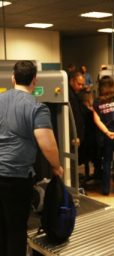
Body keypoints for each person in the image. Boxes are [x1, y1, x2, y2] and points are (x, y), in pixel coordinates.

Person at [0, 60, 64, 256]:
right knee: (17, 228)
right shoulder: (37, 107)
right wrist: (56, 167)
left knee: (1, 227)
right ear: (34, 81)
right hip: (16, 177)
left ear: (13, 78)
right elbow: (47, 143)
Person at [78, 89, 102, 182]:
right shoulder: (89, 112)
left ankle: (92, 174)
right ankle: (97, 174)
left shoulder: (79, 108)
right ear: (89, 99)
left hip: (84, 140)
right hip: (91, 140)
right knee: (98, 155)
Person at [68, 72, 85, 187]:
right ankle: (73, 185)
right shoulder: (69, 95)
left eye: (82, 84)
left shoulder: (74, 94)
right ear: (72, 81)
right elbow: (71, 118)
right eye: (79, 84)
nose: (81, 87)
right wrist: (74, 136)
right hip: (73, 136)